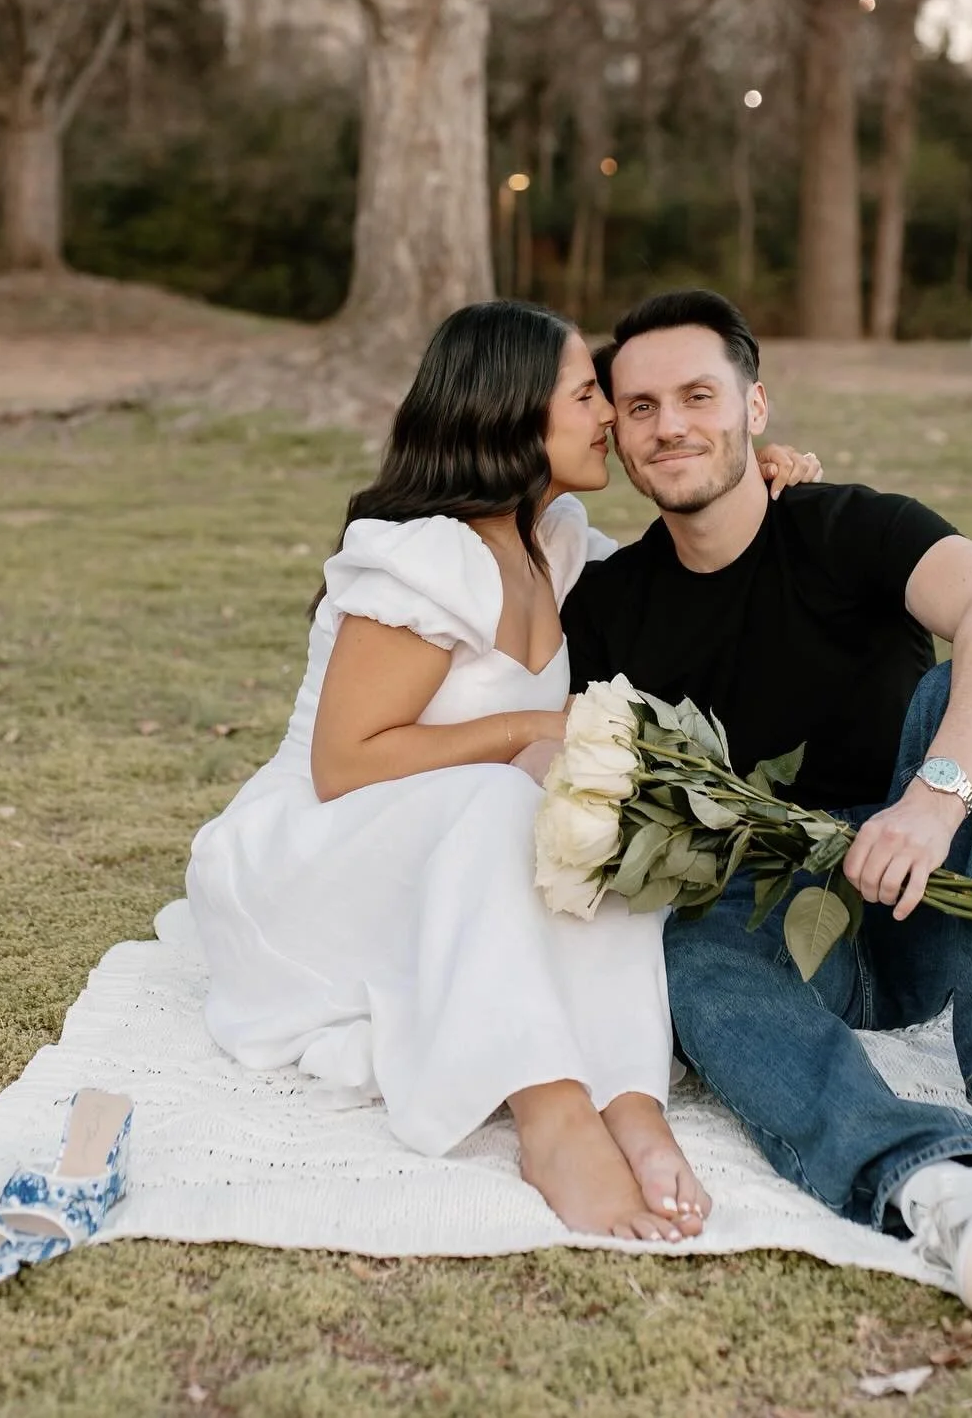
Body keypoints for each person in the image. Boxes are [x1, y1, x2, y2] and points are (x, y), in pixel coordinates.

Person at [560, 289, 972, 1329]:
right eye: (642, 405)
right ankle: (938, 1184)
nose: (672, 425)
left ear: (756, 407)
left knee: (965, 702)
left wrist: (929, 804)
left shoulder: (846, 526)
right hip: (786, 932)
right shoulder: (610, 607)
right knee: (685, 939)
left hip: (932, 896)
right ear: (615, 432)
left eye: (699, 394)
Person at [185, 300, 818, 1244]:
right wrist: (533, 724)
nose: (610, 413)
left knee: (601, 802)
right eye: (587, 394)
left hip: (448, 847)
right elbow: (345, 763)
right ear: (515, 415)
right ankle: (552, 1112)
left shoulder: (551, 539)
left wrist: (761, 485)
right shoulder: (426, 556)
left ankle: (631, 1098)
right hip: (319, 853)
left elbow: (673, 572)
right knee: (514, 792)